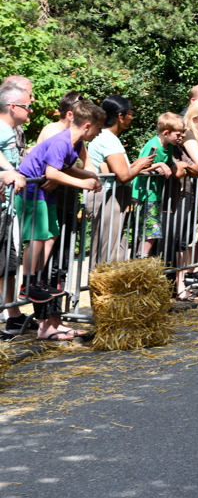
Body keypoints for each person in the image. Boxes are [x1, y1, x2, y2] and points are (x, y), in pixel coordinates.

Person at [15, 99, 105, 340]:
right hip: (33, 193)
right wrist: (83, 183)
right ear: (87, 126)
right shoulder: (61, 141)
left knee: (51, 235)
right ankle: (29, 281)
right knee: (37, 237)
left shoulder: (73, 144)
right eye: (97, 129)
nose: (98, 134)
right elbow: (52, 172)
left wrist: (87, 173)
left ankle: (38, 280)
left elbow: (65, 168)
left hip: (46, 194)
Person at [86, 95, 156, 267]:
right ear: (120, 116)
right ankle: (102, 290)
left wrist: (141, 166)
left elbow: (119, 171)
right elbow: (123, 175)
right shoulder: (108, 140)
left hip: (112, 196)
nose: (132, 117)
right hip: (108, 196)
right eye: (130, 112)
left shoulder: (108, 138)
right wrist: (140, 164)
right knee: (106, 251)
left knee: (115, 247)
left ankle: (109, 290)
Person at [0, 85, 36, 339]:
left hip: (6, 206)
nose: (31, 109)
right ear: (13, 107)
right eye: (28, 105)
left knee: (8, 264)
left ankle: (12, 316)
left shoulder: (11, 131)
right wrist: (7, 172)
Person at [132, 113, 183, 256]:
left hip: (155, 193)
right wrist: (158, 165)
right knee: (152, 229)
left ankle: (142, 256)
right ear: (166, 133)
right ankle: (141, 257)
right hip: (144, 194)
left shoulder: (169, 145)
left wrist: (172, 166)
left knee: (152, 227)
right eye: (178, 134)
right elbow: (139, 167)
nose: (181, 137)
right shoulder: (153, 146)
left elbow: (169, 162)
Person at [0, 76, 33, 160]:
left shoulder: (15, 123)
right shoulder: (4, 128)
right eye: (29, 95)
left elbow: (12, 157)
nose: (33, 99)